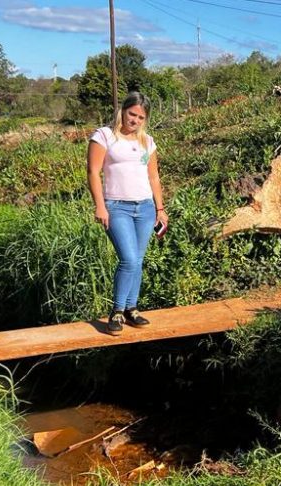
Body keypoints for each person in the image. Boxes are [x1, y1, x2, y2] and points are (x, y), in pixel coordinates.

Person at [87, 92, 169, 336]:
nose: (135, 120)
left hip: (144, 207)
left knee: (138, 260)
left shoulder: (147, 142)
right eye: (132, 114)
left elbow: (153, 176)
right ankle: (117, 312)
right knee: (129, 259)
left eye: (141, 117)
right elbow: (93, 172)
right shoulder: (104, 136)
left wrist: (160, 208)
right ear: (123, 111)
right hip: (117, 207)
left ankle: (132, 309)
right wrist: (100, 206)